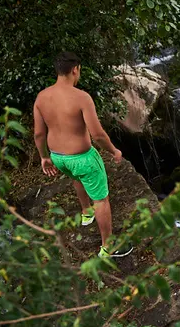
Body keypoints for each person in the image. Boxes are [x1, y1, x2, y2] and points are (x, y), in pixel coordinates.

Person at [33, 52, 133, 258]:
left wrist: (44, 157)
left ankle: (86, 212)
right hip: (83, 158)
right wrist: (114, 150)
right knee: (101, 200)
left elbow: (39, 134)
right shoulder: (81, 98)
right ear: (75, 69)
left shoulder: (41, 97)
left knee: (77, 177)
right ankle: (108, 247)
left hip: (59, 158)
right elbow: (98, 134)